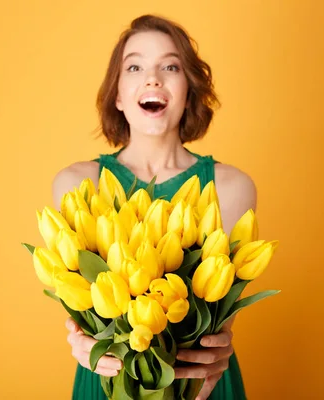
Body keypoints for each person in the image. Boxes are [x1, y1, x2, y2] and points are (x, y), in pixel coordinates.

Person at [51, 14, 256, 400]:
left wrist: (220, 346)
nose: (153, 78)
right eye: (135, 66)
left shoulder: (230, 188)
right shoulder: (77, 184)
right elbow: (77, 297)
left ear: (189, 91)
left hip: (198, 384)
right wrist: (79, 341)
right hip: (106, 380)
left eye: (170, 66)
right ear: (117, 94)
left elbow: (220, 320)